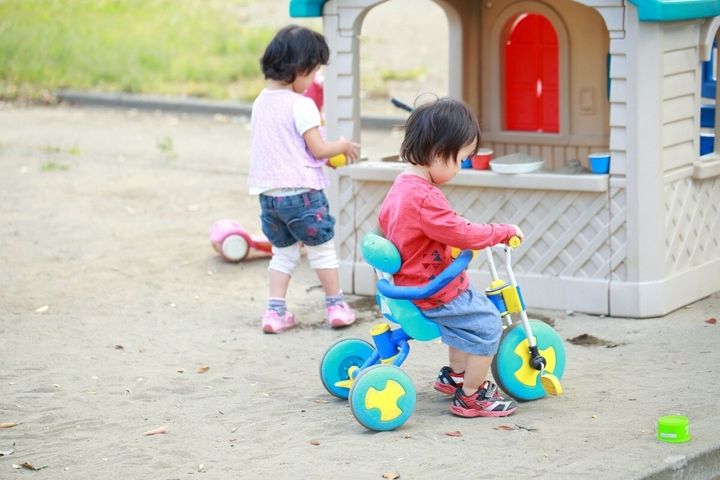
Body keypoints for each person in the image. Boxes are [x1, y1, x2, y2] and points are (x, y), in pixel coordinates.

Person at [378, 97, 523, 417]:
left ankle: (456, 375)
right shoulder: (425, 197)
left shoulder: (402, 186)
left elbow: (415, 228)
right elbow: (463, 233)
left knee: (465, 321)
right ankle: (472, 395)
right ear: (437, 151)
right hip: (434, 291)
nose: (460, 168)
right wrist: (501, 232)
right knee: (487, 324)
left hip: (412, 283)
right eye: (459, 159)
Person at [248, 25, 360, 334]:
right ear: (299, 69)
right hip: (303, 196)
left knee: (283, 254)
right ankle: (336, 306)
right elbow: (319, 148)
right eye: (313, 72)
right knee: (322, 250)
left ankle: (274, 313)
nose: (313, 80)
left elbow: (284, 147)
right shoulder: (301, 104)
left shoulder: (260, 102)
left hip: (270, 197)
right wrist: (342, 146)